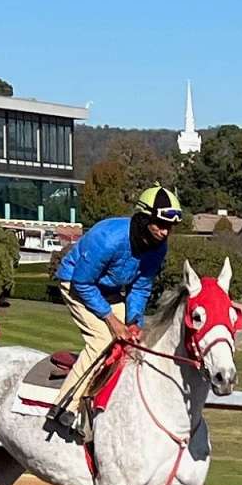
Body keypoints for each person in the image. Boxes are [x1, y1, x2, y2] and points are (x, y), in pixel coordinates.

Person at [53, 185, 182, 438]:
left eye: (169, 227)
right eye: (160, 224)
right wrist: (112, 320)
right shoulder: (108, 237)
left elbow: (141, 287)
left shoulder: (159, 247)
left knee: (135, 342)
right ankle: (65, 406)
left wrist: (134, 321)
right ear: (144, 219)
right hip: (76, 283)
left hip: (107, 290)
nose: (165, 232)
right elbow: (82, 281)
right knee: (103, 340)